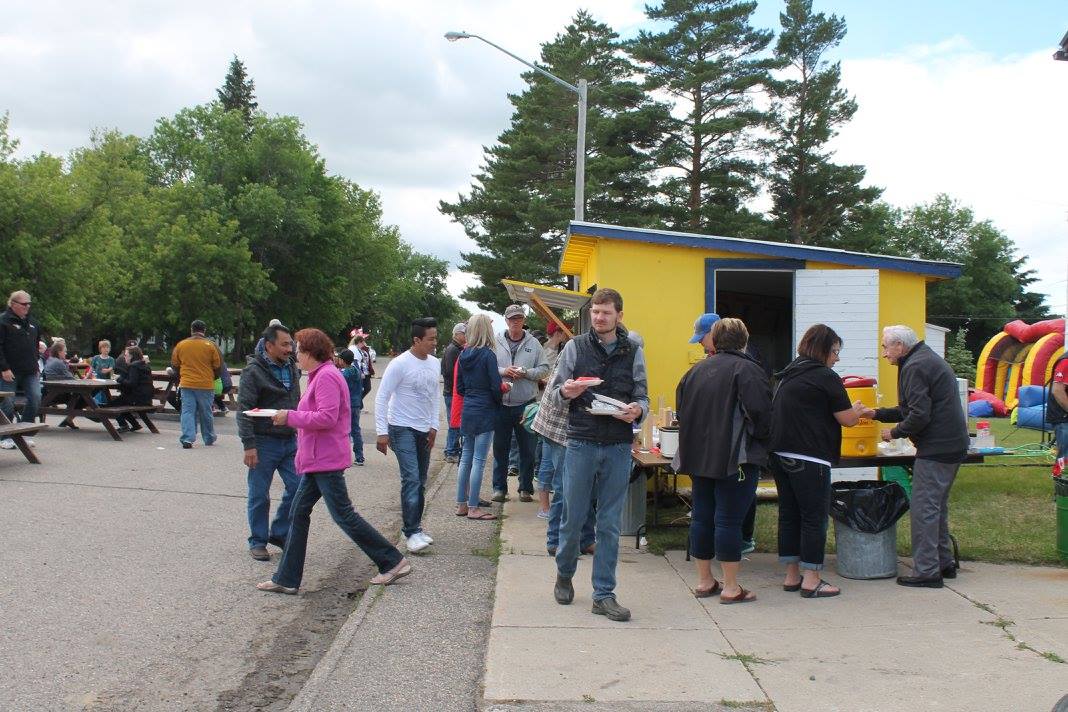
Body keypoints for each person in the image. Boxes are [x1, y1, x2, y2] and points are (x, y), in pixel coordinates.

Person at [257, 328, 410, 594]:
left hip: (325, 460)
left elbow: (326, 418)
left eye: (298, 350)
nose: (295, 355)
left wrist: (289, 417)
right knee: (298, 514)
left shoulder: (326, 376)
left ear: (310, 352)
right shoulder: (322, 375)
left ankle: (392, 560)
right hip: (319, 460)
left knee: (344, 516)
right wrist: (292, 417)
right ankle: (286, 578)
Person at [546, 288, 648, 622]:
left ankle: (603, 594)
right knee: (573, 519)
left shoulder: (633, 350)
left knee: (608, 524)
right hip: (582, 441)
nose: (599, 317)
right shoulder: (574, 347)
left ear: (619, 314)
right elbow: (556, 392)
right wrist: (567, 390)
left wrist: (638, 410)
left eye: (605, 312)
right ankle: (564, 572)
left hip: (618, 444)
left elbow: (642, 395)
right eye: (595, 312)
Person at [857, 325, 969, 588]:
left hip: (937, 448)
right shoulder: (924, 359)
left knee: (924, 510)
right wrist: (875, 413)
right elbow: (909, 408)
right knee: (936, 507)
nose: (884, 354)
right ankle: (944, 563)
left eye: (886, 347)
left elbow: (918, 415)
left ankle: (927, 572)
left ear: (900, 346)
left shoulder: (915, 366)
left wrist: (893, 433)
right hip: (951, 445)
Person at [676, 318, 772, 604]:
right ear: (744, 340)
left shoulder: (694, 372)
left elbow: (682, 411)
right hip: (735, 458)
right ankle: (731, 587)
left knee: (703, 517)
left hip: (698, 456)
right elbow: (762, 416)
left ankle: (705, 581)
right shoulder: (748, 370)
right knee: (729, 520)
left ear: (714, 341)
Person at [770, 324, 865, 599]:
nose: (836, 358)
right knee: (813, 517)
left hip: (780, 454)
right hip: (810, 456)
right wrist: (857, 410)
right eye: (835, 351)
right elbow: (846, 419)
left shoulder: (788, 373)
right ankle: (812, 579)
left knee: (789, 515)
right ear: (823, 350)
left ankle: (791, 576)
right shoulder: (826, 376)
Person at [375, 317, 441, 554]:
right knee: (411, 478)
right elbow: (382, 397)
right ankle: (411, 532)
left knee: (420, 480)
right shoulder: (399, 364)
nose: (435, 342)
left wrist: (434, 427)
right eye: (431, 338)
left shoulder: (435, 363)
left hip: (424, 429)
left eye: (436, 337)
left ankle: (416, 527)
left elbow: (434, 396)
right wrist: (382, 432)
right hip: (400, 427)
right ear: (417, 340)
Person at [238, 324, 302, 561]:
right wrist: (249, 445)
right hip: (263, 442)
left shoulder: (292, 368)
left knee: (299, 488)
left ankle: (280, 532)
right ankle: (258, 540)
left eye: (291, 344)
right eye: (285, 344)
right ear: (269, 346)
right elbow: (244, 409)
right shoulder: (253, 372)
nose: (290, 348)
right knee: (259, 494)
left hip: (289, 440)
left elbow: (296, 400)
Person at [532, 359, 596, 557]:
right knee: (564, 486)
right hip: (559, 427)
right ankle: (555, 540)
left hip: (579, 430)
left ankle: (586, 540)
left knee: (586, 486)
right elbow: (555, 393)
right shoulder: (577, 352)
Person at [492, 304, 550, 503]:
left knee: (528, 450)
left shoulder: (534, 343)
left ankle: (525, 489)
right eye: (512, 318)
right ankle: (499, 489)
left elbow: (544, 369)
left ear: (524, 320)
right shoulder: (495, 341)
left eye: (519, 318)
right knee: (500, 449)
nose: (515, 321)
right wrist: (504, 371)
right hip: (500, 404)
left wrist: (525, 372)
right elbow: (490, 366)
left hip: (526, 404)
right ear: (506, 320)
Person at [453, 314, 501, 521]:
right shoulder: (488, 355)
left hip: (469, 409)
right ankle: (474, 507)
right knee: (479, 461)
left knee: (465, 458)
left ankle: (461, 504)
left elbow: (460, 387)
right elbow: (495, 385)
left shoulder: (463, 355)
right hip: (485, 409)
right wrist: (502, 391)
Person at [0, 291, 43, 449]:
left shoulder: (33, 323)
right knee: (7, 403)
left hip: (30, 370)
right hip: (9, 371)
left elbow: (36, 345)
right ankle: (5, 437)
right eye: (24, 304)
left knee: (36, 398)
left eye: (29, 304)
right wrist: (4, 368)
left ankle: (24, 433)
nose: (27, 307)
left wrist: (36, 364)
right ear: (13, 304)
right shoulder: (3, 321)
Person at [171, 319, 223, 449]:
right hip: (205, 384)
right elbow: (218, 366)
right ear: (204, 330)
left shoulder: (181, 345)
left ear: (191, 329)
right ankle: (209, 437)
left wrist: (181, 376)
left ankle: (188, 438)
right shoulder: (210, 345)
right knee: (206, 412)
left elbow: (175, 365)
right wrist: (213, 377)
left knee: (188, 411)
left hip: (187, 383)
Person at [110, 346, 154, 433]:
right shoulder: (144, 365)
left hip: (137, 398)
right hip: (146, 398)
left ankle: (124, 425)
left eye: (126, 355)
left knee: (112, 405)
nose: (124, 357)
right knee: (120, 401)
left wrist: (119, 379)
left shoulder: (134, 366)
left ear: (131, 356)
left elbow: (131, 383)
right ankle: (135, 424)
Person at [440, 321, 467, 464]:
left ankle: (451, 449)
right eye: (464, 333)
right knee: (454, 423)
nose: (466, 336)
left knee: (455, 422)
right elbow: (451, 372)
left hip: (452, 391)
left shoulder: (457, 349)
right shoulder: (453, 350)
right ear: (457, 334)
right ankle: (450, 451)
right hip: (452, 392)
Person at [337, 349, 366, 465]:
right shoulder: (356, 370)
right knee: (356, 430)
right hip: (356, 404)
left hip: (347, 405)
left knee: (345, 431)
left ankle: (344, 456)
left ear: (343, 361)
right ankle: (359, 456)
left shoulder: (345, 374)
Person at [1048, 355, 1068, 460]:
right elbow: (1057, 390)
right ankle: (1062, 475)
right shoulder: (1066, 361)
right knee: (1066, 452)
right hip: (1062, 415)